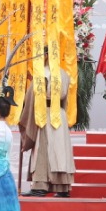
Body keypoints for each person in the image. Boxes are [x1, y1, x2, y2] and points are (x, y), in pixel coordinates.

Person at [20, 57, 75, 198]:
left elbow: (32, 96)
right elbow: (65, 99)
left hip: (44, 114)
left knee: (42, 149)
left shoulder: (42, 73)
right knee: (60, 152)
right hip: (59, 115)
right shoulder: (63, 73)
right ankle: (63, 187)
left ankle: (40, 185)